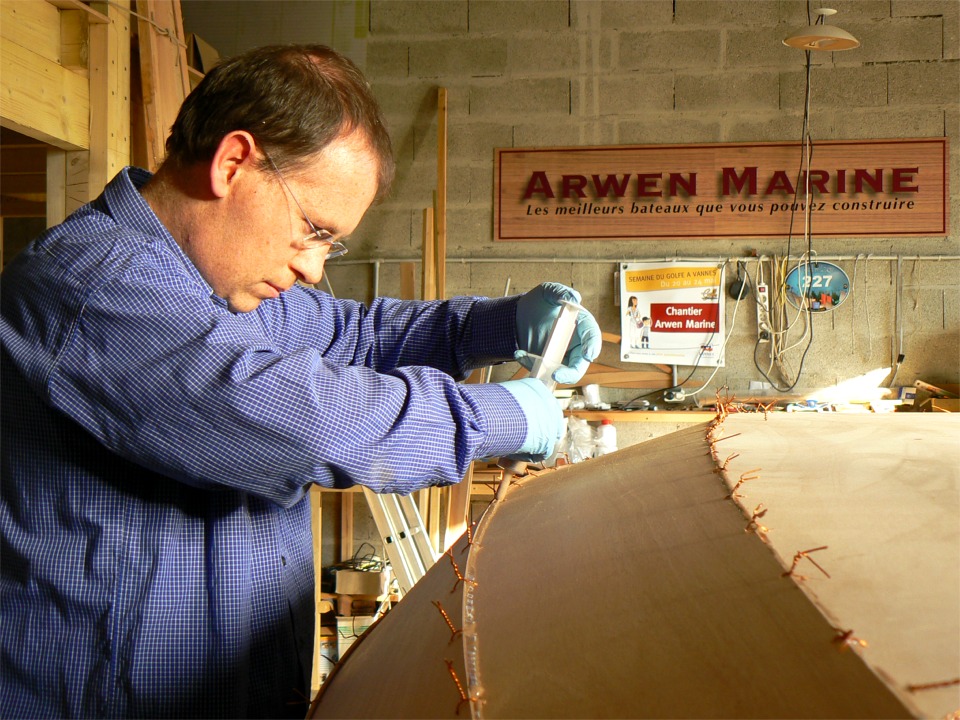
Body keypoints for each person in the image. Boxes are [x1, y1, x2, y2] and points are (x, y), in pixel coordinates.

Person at [0, 44, 601, 719]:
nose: (313, 267)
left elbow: (359, 337)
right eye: (312, 229)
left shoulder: (220, 285)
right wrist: (497, 416)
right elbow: (304, 421)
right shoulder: (93, 286)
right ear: (234, 162)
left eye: (330, 243)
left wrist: (499, 323)